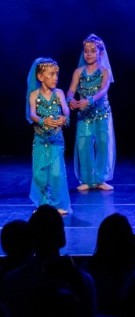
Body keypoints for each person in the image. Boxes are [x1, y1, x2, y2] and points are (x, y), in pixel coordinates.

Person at [66, 34, 116, 192]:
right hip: (84, 115)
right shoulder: (78, 72)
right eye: (86, 51)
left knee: (103, 144)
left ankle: (100, 179)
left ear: (100, 53)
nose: (88, 54)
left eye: (93, 51)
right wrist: (70, 99)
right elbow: (71, 90)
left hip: (102, 113)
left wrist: (90, 100)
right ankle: (88, 180)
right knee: (84, 145)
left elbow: (103, 90)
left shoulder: (105, 71)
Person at [26, 57, 72, 215]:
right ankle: (44, 205)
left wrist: (64, 118)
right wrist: (42, 120)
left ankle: (58, 204)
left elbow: (66, 110)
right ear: (40, 76)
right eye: (51, 74)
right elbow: (32, 114)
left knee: (57, 173)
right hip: (40, 140)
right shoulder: (34, 95)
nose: (55, 78)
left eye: (56, 74)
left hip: (56, 140)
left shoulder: (59, 93)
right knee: (40, 174)